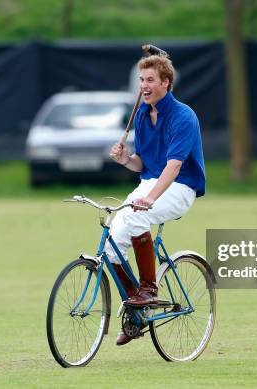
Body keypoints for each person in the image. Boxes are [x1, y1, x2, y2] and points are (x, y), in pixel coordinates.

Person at [108, 54, 206, 346]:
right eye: (141, 80)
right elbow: (143, 164)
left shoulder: (183, 116)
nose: (144, 86)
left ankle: (148, 289)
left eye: (150, 80)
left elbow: (173, 167)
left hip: (180, 187)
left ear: (166, 82)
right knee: (113, 243)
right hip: (150, 183)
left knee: (138, 215)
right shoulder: (141, 114)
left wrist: (149, 199)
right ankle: (137, 314)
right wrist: (126, 160)